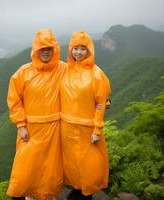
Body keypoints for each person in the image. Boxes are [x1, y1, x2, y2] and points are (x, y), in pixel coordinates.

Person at [6, 29, 67, 200]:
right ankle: (22, 195)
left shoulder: (63, 69)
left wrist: (102, 99)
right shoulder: (23, 72)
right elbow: (14, 100)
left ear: (54, 49)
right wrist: (20, 124)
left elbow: (82, 81)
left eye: (49, 48)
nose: (46, 51)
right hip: (31, 129)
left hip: (55, 127)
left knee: (50, 169)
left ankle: (45, 196)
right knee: (25, 167)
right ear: (35, 50)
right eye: (42, 48)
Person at [60, 30, 111, 200]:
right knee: (73, 162)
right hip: (67, 126)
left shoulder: (97, 74)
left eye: (83, 48)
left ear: (89, 50)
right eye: (75, 48)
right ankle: (77, 188)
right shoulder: (65, 70)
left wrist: (97, 129)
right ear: (70, 50)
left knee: (88, 163)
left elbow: (101, 103)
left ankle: (86, 193)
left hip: (87, 128)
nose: (78, 52)